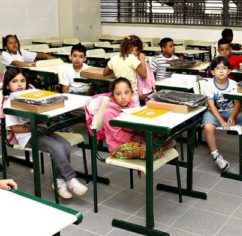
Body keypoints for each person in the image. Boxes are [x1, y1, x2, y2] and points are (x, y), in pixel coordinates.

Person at [3, 67, 88, 199]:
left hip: (39, 130)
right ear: (8, 85)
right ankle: (70, 179)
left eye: (22, 80)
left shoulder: (31, 96)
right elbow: (14, 128)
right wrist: (31, 128)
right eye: (14, 81)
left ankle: (59, 180)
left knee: (64, 144)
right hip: (26, 137)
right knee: (55, 147)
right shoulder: (9, 102)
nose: (20, 84)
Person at [202, 57, 242, 171]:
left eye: (224, 68)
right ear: (212, 72)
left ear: (229, 71)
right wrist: (222, 121)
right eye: (218, 68)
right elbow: (212, 106)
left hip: (230, 111)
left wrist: (232, 116)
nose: (221, 71)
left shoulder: (234, 84)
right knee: (208, 127)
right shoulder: (208, 85)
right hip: (213, 112)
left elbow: (237, 103)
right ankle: (216, 155)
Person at [102, 77, 175, 159]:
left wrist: (143, 135)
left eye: (126, 92)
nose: (123, 97)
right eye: (118, 94)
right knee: (144, 148)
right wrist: (137, 139)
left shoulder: (132, 107)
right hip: (119, 147)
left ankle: (154, 149)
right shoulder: (109, 113)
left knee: (166, 139)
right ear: (112, 95)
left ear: (132, 93)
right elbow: (118, 136)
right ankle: (153, 150)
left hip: (136, 140)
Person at [103, 35, 147, 104]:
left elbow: (105, 72)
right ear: (135, 49)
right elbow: (144, 75)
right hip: (131, 94)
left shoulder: (114, 58)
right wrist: (142, 59)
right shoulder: (133, 59)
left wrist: (117, 67)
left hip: (119, 94)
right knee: (133, 112)